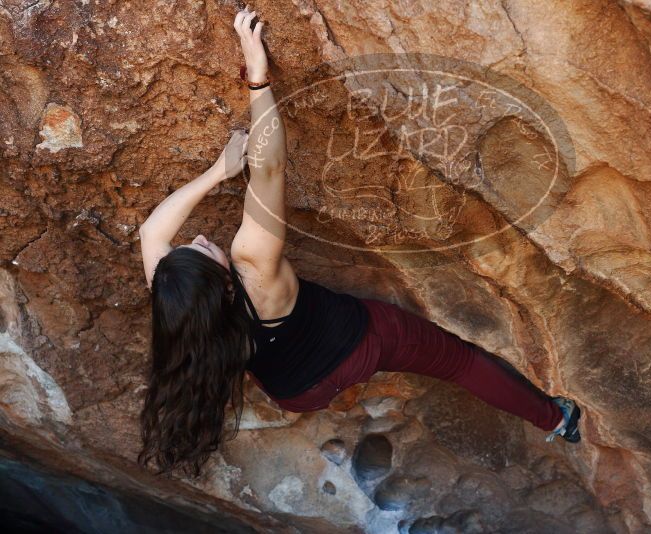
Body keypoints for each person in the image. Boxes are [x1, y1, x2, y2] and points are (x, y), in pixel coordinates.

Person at [137, 6, 581, 478]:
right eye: (202, 248)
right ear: (224, 285)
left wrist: (215, 174)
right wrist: (258, 81)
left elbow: (151, 234)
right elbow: (269, 169)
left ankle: (550, 419)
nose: (202, 236)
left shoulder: (181, 305)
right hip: (360, 343)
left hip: (298, 392)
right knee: (458, 362)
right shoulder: (253, 267)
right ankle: (556, 418)